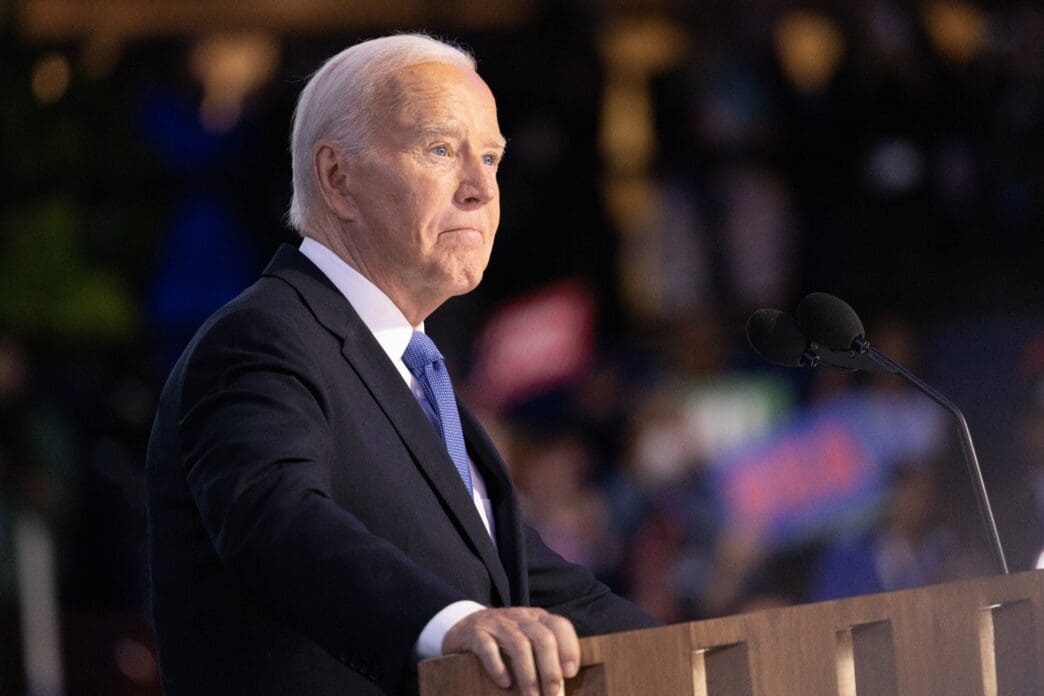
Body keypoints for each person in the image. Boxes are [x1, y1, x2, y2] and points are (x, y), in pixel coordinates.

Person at [146, 34, 656, 696]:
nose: (481, 189)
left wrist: (726, 660)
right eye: (441, 150)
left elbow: (546, 591)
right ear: (338, 178)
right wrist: (452, 626)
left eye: (491, 158)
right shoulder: (261, 339)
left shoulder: (416, 375)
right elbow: (277, 523)